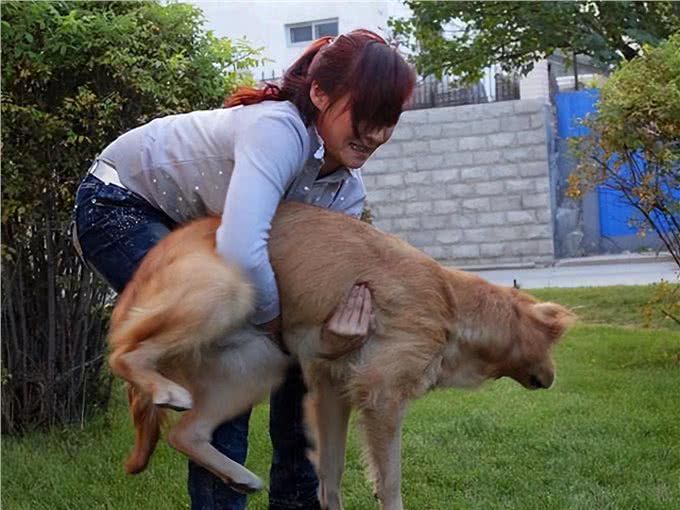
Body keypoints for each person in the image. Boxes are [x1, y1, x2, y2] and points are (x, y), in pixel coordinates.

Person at [72, 28, 415, 509]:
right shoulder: (277, 130)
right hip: (122, 205)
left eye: (388, 119)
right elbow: (242, 248)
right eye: (366, 114)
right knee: (228, 349)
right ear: (320, 94)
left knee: (300, 361)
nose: (377, 133)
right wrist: (275, 327)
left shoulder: (346, 191)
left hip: (200, 238)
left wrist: (332, 333)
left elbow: (309, 292)